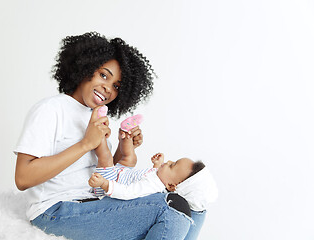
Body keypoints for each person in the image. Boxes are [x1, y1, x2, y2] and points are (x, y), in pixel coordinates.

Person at [14, 32, 205, 240]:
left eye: (116, 86)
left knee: (195, 204)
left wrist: (123, 148)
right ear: (84, 68)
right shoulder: (51, 109)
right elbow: (23, 178)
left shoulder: (94, 116)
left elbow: (102, 173)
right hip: (55, 211)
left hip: (94, 202)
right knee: (172, 206)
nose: (108, 88)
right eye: (104, 75)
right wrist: (86, 144)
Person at [88, 130, 217, 216]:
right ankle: (126, 133)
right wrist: (157, 164)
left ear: (171, 186)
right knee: (132, 158)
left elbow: (127, 193)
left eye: (172, 165)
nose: (169, 161)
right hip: (122, 174)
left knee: (106, 157)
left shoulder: (151, 186)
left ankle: (97, 133)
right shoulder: (161, 179)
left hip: (112, 184)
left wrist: (104, 183)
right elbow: (154, 175)